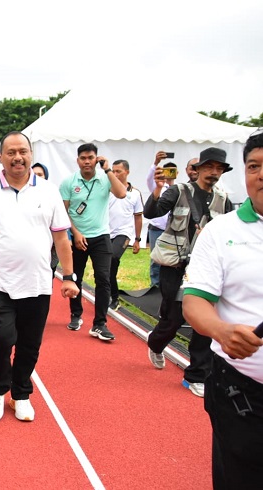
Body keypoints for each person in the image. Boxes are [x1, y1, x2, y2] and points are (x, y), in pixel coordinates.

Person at [0, 131, 79, 422]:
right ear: (1, 157)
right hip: (0, 283)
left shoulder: (49, 191)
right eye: (11, 152)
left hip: (38, 283)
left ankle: (20, 394)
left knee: (29, 343)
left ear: (31, 155)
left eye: (23, 151)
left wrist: (69, 277)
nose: (18, 157)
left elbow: (61, 238)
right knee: (1, 337)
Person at [181, 129, 263, 489]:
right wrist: (222, 331)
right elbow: (194, 302)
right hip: (241, 388)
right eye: (253, 166)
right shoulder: (221, 231)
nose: (261, 174)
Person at [144, 148, 234, 397]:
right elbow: (151, 213)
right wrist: (157, 189)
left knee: (204, 321)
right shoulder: (178, 191)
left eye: (219, 168)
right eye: (210, 167)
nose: (214, 172)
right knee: (173, 319)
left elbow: (231, 230)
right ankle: (156, 341)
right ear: (199, 169)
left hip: (205, 268)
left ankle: (195, 376)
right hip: (176, 265)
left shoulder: (224, 199)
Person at [60, 143, 127, 341]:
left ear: (97, 159)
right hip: (77, 237)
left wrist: (108, 169)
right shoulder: (69, 182)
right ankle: (76, 315)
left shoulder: (105, 179)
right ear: (77, 160)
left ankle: (100, 324)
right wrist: (75, 233)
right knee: (75, 277)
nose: (87, 162)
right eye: (83, 158)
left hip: (101, 236)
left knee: (103, 279)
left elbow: (122, 193)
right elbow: (63, 212)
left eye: (91, 158)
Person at [145, 153, 197, 287]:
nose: (169, 174)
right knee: (156, 258)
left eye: (172, 171)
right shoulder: (158, 187)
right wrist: (155, 163)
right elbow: (149, 180)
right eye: (167, 171)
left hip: (175, 230)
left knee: (174, 258)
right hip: (157, 228)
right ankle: (155, 285)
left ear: (178, 173)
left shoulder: (181, 190)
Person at [107, 159, 143, 311]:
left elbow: (138, 216)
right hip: (106, 232)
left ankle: (115, 298)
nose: (115, 174)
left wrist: (137, 239)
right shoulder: (107, 190)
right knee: (106, 266)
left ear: (127, 172)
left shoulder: (135, 193)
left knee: (113, 258)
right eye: (113, 171)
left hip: (124, 233)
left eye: (118, 171)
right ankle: (108, 293)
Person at [33, 163, 59, 275]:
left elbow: (60, 223)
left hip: (49, 248)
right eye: (34, 174)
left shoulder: (53, 195)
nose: (37, 177)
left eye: (40, 174)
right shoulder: (19, 195)